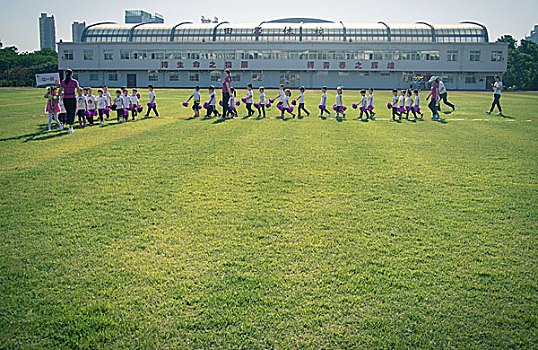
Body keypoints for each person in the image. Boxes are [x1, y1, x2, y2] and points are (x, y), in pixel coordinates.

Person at [59, 69, 79, 134]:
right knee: (72, 112)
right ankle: (70, 126)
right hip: (72, 98)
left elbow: (60, 90)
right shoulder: (74, 81)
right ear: (71, 74)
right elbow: (78, 91)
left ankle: (67, 124)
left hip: (65, 98)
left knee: (67, 112)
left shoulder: (63, 82)